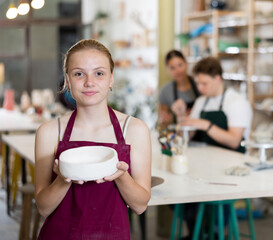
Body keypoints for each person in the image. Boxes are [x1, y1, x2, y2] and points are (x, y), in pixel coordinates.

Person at [34, 39, 151, 239]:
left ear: (111, 79)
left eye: (99, 73)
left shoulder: (135, 130)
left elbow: (140, 205)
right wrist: (63, 179)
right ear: (68, 81)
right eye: (79, 74)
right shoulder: (49, 132)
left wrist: (121, 175)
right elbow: (43, 208)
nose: (89, 82)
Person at [181, 56, 252, 153]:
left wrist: (206, 125)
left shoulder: (237, 102)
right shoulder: (201, 101)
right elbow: (188, 135)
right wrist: (181, 116)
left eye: (204, 84)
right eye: (197, 84)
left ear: (218, 79)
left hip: (234, 160)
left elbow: (234, 141)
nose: (200, 88)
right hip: (208, 157)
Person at [158, 50, 200, 128]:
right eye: (172, 68)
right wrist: (165, 120)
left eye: (180, 65)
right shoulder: (165, 92)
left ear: (186, 63)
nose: (178, 70)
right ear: (167, 69)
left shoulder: (200, 85)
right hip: (178, 136)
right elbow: (164, 125)